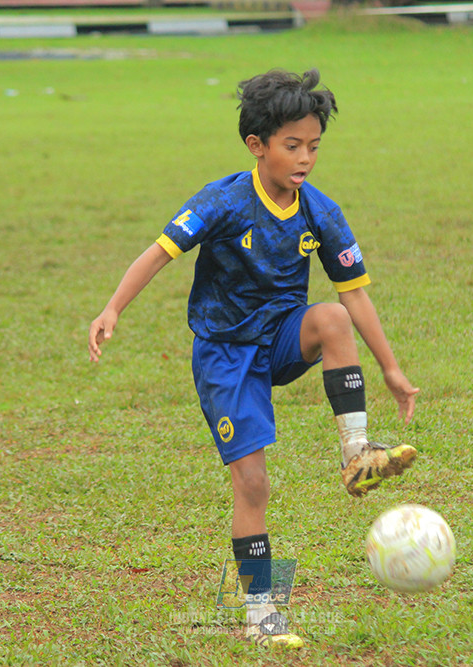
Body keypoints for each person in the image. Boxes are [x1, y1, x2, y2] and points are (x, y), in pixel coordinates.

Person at [87, 68, 419, 648]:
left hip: (283, 337)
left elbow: (355, 294)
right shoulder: (224, 200)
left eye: (314, 146)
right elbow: (158, 253)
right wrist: (112, 308)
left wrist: (390, 367)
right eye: (293, 146)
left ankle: (356, 454)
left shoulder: (320, 211)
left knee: (333, 317)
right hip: (226, 354)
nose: (306, 158)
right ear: (257, 145)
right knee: (254, 484)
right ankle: (262, 612)